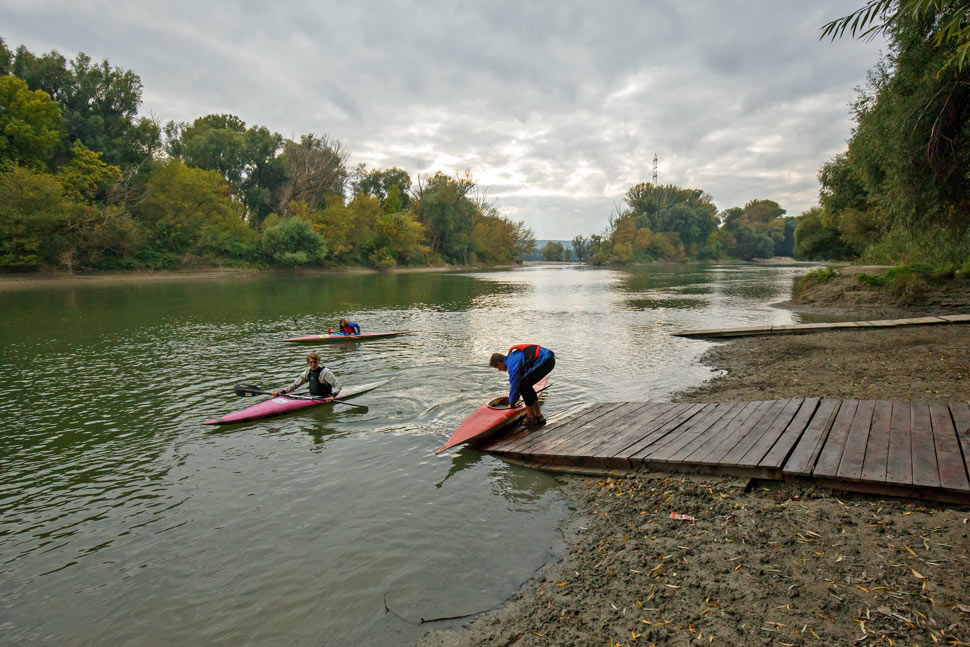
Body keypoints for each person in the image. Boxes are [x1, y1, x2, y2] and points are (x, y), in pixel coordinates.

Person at [489, 343, 556, 425]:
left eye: (497, 368)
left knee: (523, 386)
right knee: (525, 385)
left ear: (499, 363)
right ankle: (538, 416)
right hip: (548, 360)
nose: (499, 370)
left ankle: (531, 417)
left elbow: (515, 386)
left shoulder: (512, 364)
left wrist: (512, 403)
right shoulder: (512, 358)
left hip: (546, 362)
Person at [273, 351, 342, 399]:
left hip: (324, 397)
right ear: (308, 363)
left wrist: (332, 396)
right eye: (311, 362)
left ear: (318, 361)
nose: (313, 364)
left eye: (315, 362)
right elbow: (295, 384)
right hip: (312, 396)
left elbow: (338, 386)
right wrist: (281, 392)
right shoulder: (307, 373)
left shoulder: (325, 373)